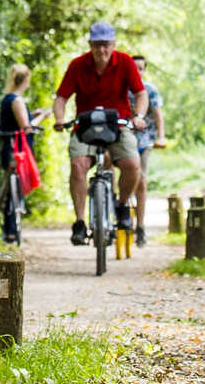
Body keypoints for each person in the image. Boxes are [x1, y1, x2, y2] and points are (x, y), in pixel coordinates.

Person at [51, 23, 147, 245]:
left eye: (105, 45)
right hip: (85, 125)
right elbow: (61, 97)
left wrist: (139, 116)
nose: (101, 50)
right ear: (90, 45)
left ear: (113, 44)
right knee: (78, 165)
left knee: (133, 165)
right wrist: (59, 118)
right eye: (96, 45)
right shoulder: (77, 65)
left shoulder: (125, 62)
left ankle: (122, 205)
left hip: (118, 124)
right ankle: (80, 222)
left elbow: (140, 94)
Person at [0, 64, 33, 243]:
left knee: (11, 189)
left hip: (8, 147)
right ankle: (10, 229)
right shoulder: (17, 100)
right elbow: (26, 128)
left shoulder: (7, 98)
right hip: (16, 150)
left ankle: (8, 229)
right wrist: (41, 117)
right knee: (14, 189)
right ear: (26, 80)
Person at [131, 57, 167, 247]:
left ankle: (140, 226)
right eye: (134, 68)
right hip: (121, 137)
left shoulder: (150, 90)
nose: (138, 72)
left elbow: (158, 115)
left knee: (141, 182)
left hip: (144, 140)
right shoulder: (121, 88)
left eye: (141, 68)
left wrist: (161, 137)